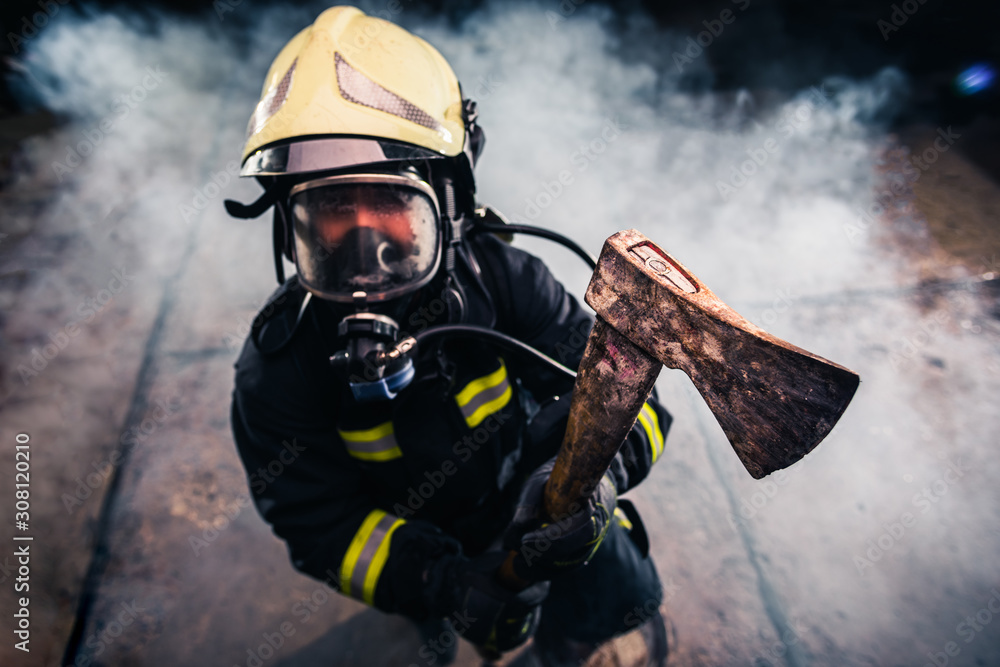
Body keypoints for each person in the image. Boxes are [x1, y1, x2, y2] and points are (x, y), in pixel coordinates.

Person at [227, 6, 672, 666]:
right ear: (288, 229)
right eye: (329, 214)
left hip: (536, 502)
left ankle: (584, 638)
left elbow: (637, 405)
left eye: (391, 205)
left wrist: (590, 479)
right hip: (416, 540)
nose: (365, 248)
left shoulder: (507, 281)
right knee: (450, 632)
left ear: (452, 201)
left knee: (617, 593)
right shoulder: (280, 369)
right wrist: (438, 582)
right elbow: (318, 523)